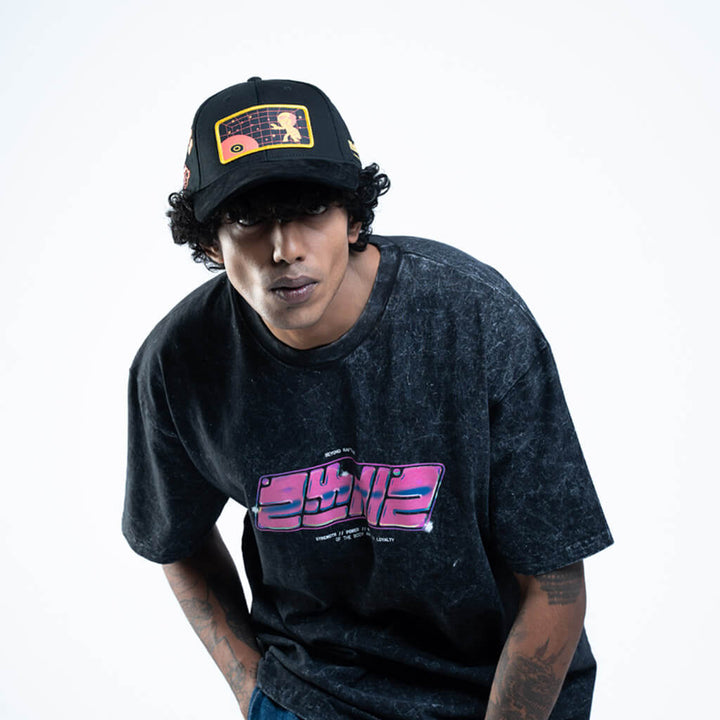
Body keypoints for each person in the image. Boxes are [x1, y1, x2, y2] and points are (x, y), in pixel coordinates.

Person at [122, 77, 613, 720]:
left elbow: (554, 581)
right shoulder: (178, 362)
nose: (285, 249)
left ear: (354, 217)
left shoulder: (473, 319)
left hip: (495, 696)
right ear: (211, 241)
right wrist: (254, 691)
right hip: (309, 694)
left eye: (311, 209)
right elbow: (175, 536)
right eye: (248, 219)